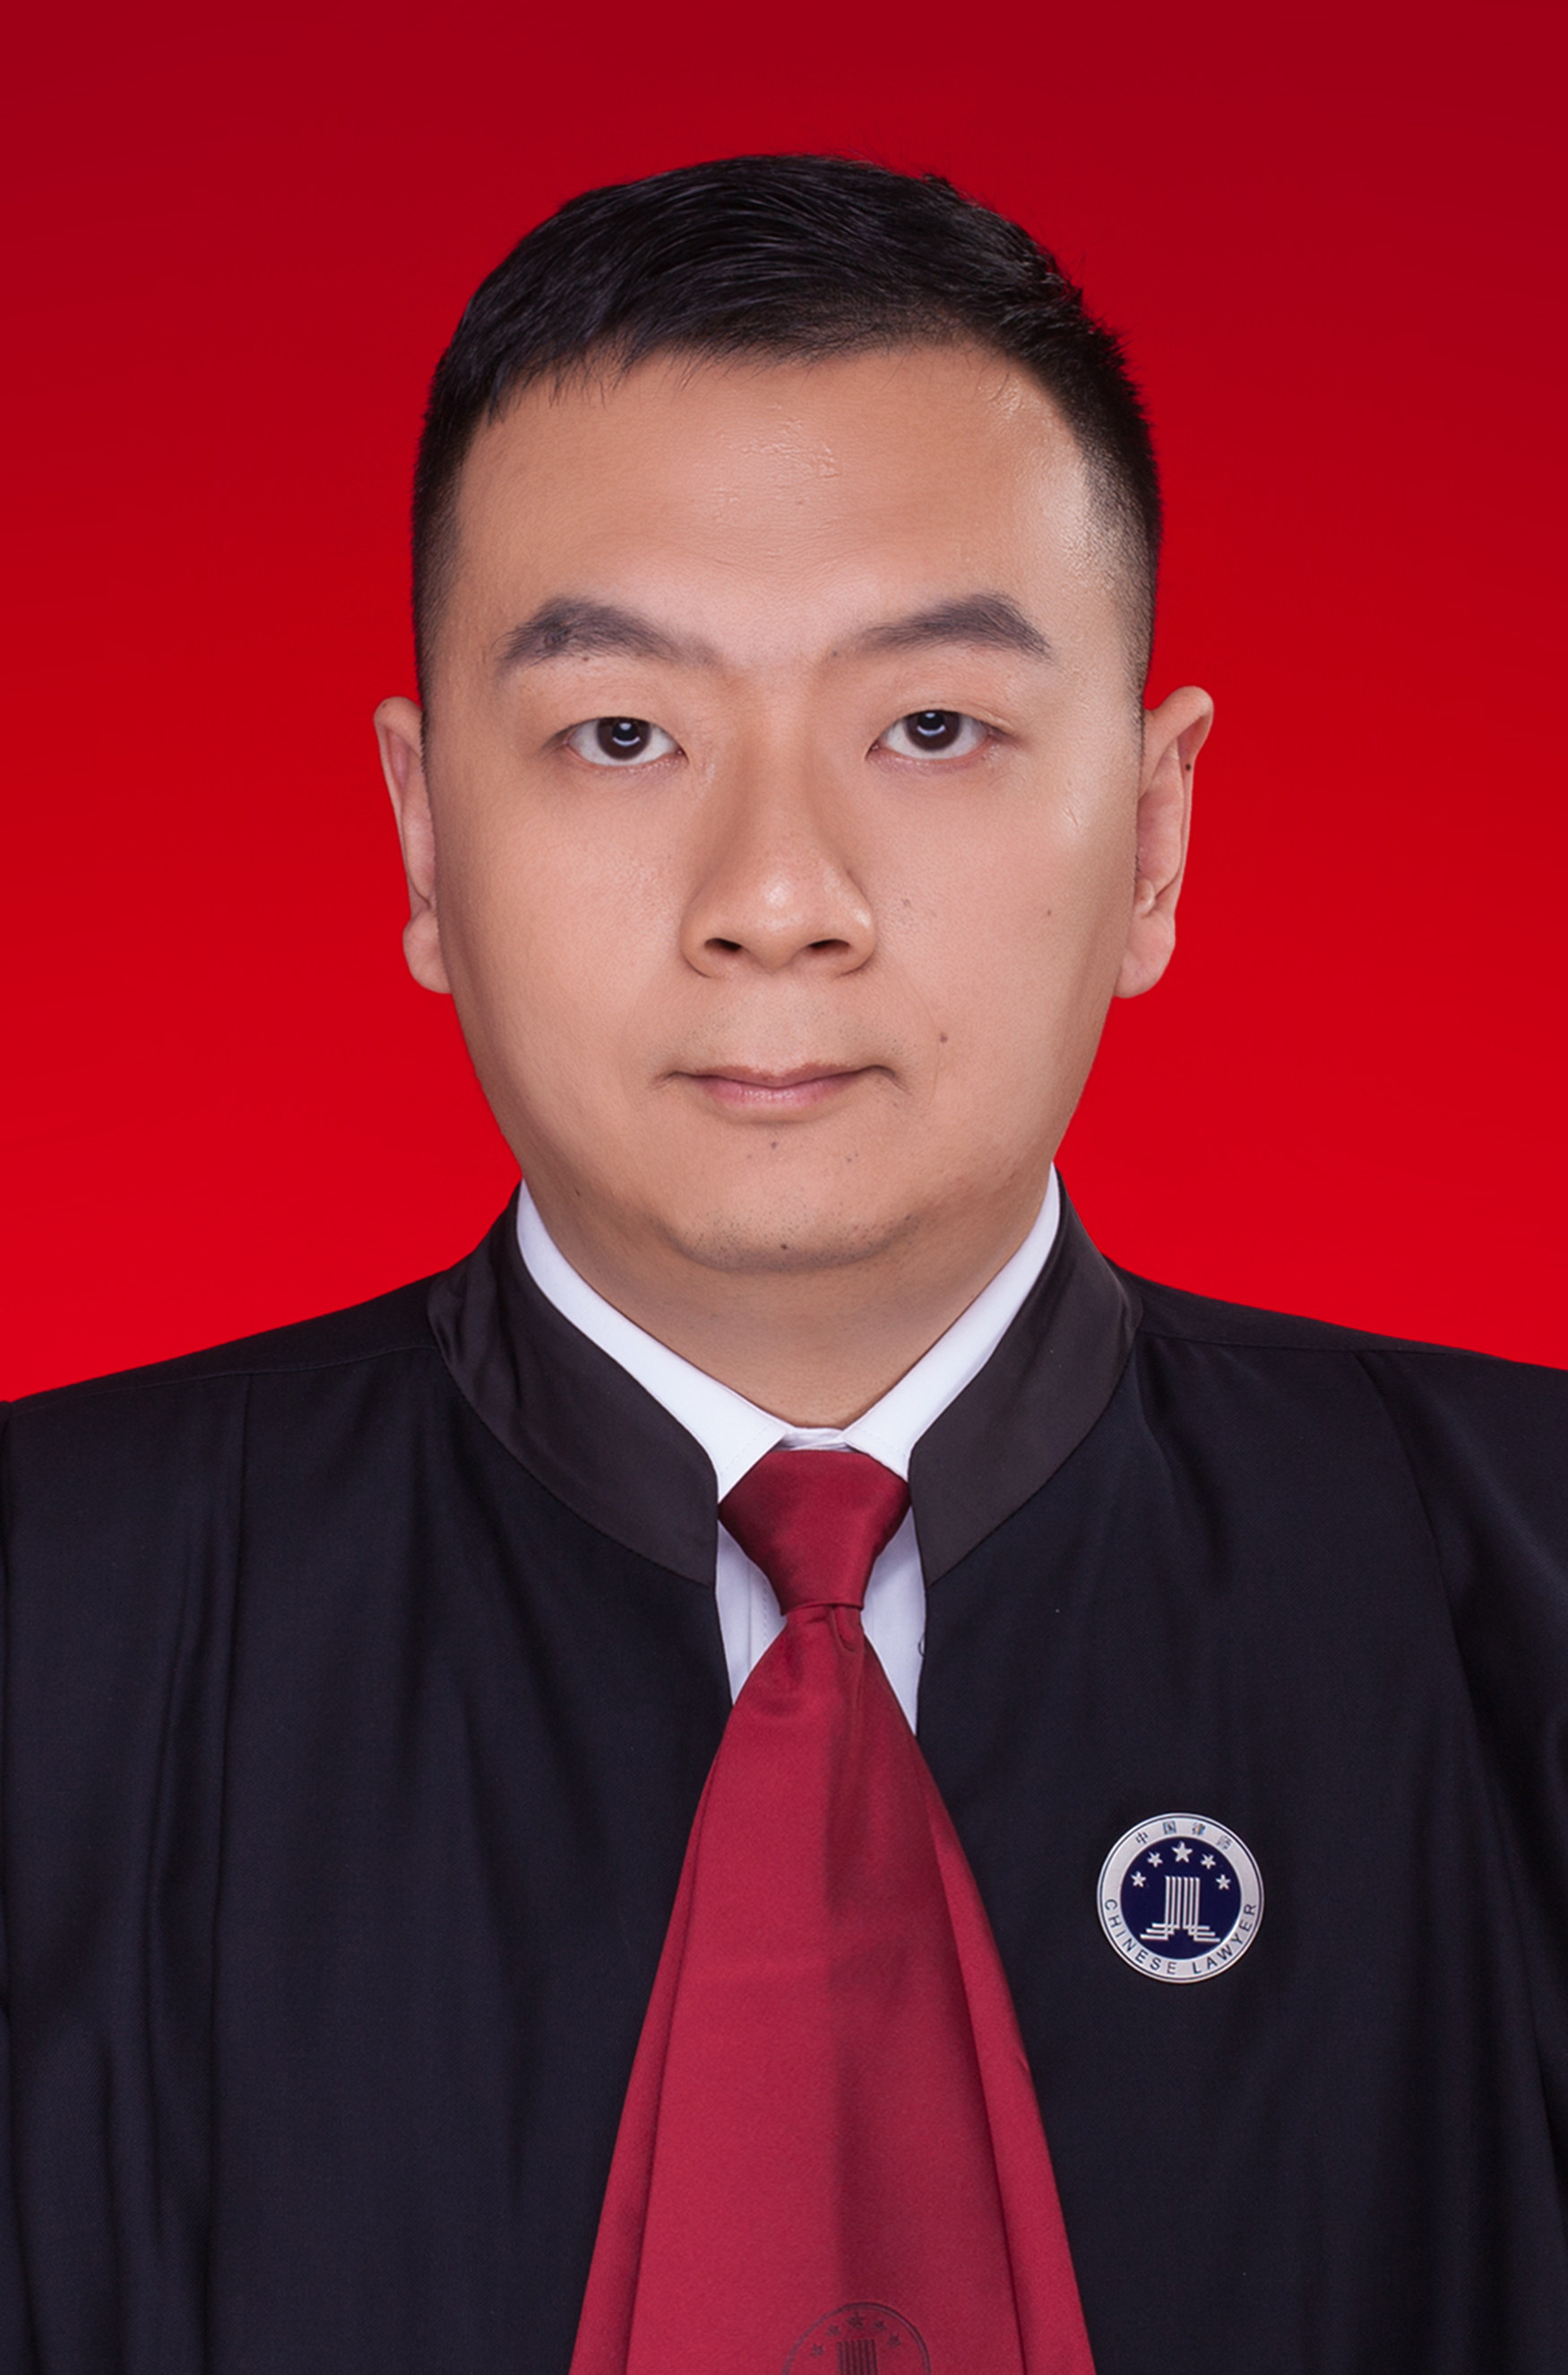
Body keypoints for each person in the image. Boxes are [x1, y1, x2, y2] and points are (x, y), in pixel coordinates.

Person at [2, 152, 1564, 2375]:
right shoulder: (51, 1626)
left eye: (928, 726)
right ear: (424, 832)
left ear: (1150, 832)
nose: (773, 897)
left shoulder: (1521, 1587)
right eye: (621, 733)